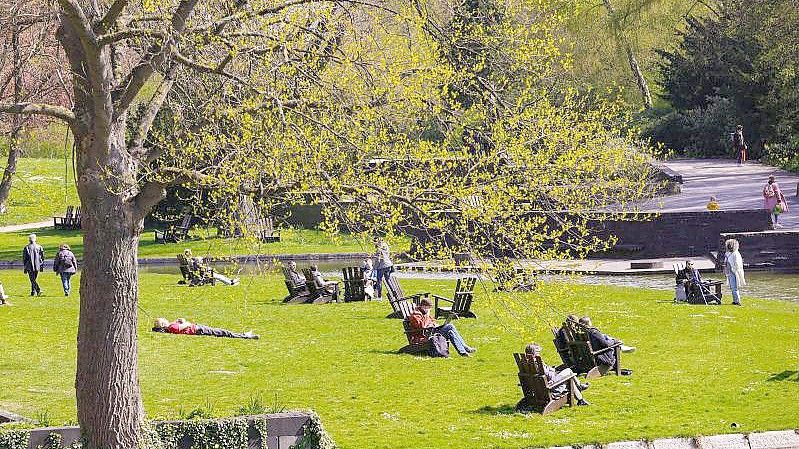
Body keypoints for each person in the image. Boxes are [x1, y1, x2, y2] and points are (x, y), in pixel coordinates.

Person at [524, 343, 589, 406]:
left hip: (538, 390)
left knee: (567, 372)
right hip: (551, 387)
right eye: (538, 352)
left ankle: (580, 398)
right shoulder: (537, 364)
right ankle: (580, 392)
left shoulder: (525, 363)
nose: (539, 354)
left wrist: (551, 369)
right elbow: (548, 376)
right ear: (534, 353)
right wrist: (551, 370)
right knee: (569, 373)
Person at [408, 298, 476, 357]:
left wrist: (434, 324)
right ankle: (465, 347)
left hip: (431, 331)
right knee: (450, 326)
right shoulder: (416, 315)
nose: (429, 310)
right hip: (424, 336)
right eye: (428, 308)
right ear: (423, 306)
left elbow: (432, 321)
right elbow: (422, 326)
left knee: (450, 332)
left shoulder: (423, 312)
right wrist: (427, 316)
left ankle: (463, 352)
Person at [153, 317, 258, 339]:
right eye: (164, 319)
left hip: (197, 328)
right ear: (163, 324)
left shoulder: (171, 326)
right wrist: (184, 321)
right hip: (198, 330)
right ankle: (245, 336)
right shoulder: (172, 327)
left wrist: (179, 320)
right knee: (222, 332)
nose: (166, 319)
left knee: (221, 331)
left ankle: (244, 335)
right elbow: (186, 324)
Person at [723, 239, 746, 306]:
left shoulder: (735, 254)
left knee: (734, 287)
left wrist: (736, 271)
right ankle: (735, 300)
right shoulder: (727, 253)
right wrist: (725, 269)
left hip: (734, 272)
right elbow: (726, 262)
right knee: (732, 287)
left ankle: (737, 301)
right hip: (729, 272)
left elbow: (737, 264)